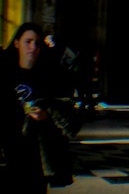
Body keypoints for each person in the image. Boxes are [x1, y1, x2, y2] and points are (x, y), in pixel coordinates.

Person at [0, 22, 78, 191]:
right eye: (28, 41)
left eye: (37, 43)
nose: (32, 47)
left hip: (37, 151)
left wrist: (48, 115)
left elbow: (68, 115)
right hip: (9, 146)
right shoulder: (4, 73)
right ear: (16, 43)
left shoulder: (50, 76)